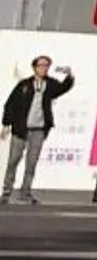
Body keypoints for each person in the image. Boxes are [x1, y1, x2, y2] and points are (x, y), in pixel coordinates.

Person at [4, 56, 75, 203]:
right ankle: (6, 191)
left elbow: (63, 88)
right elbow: (10, 104)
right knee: (13, 161)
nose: (44, 68)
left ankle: (25, 193)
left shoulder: (50, 84)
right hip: (20, 129)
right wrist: (6, 123)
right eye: (41, 65)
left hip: (39, 130)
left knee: (31, 163)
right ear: (34, 67)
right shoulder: (24, 85)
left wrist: (69, 76)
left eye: (46, 66)